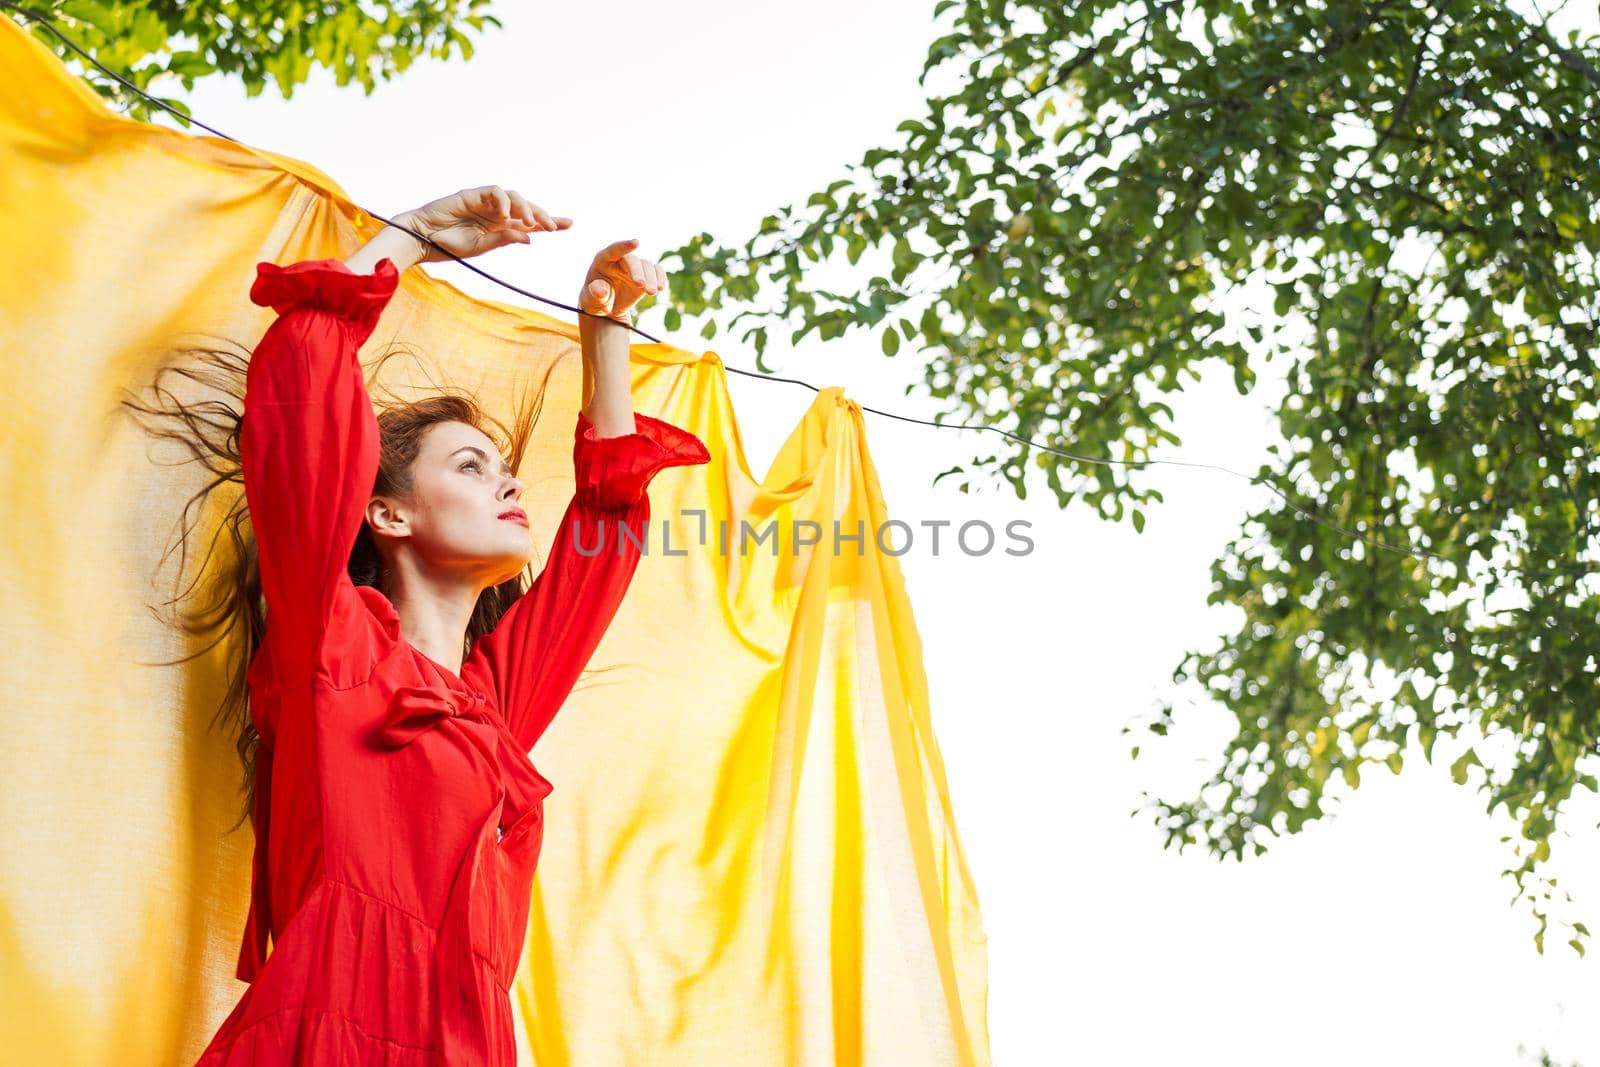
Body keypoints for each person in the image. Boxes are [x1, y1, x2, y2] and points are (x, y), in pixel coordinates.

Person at [192, 185, 711, 1065]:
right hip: (324, 1037)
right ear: (385, 515)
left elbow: (603, 536)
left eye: (505, 471)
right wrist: (410, 237)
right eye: (473, 467)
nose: (511, 486)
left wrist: (606, 335)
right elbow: (304, 402)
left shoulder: (488, 710)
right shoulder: (333, 642)